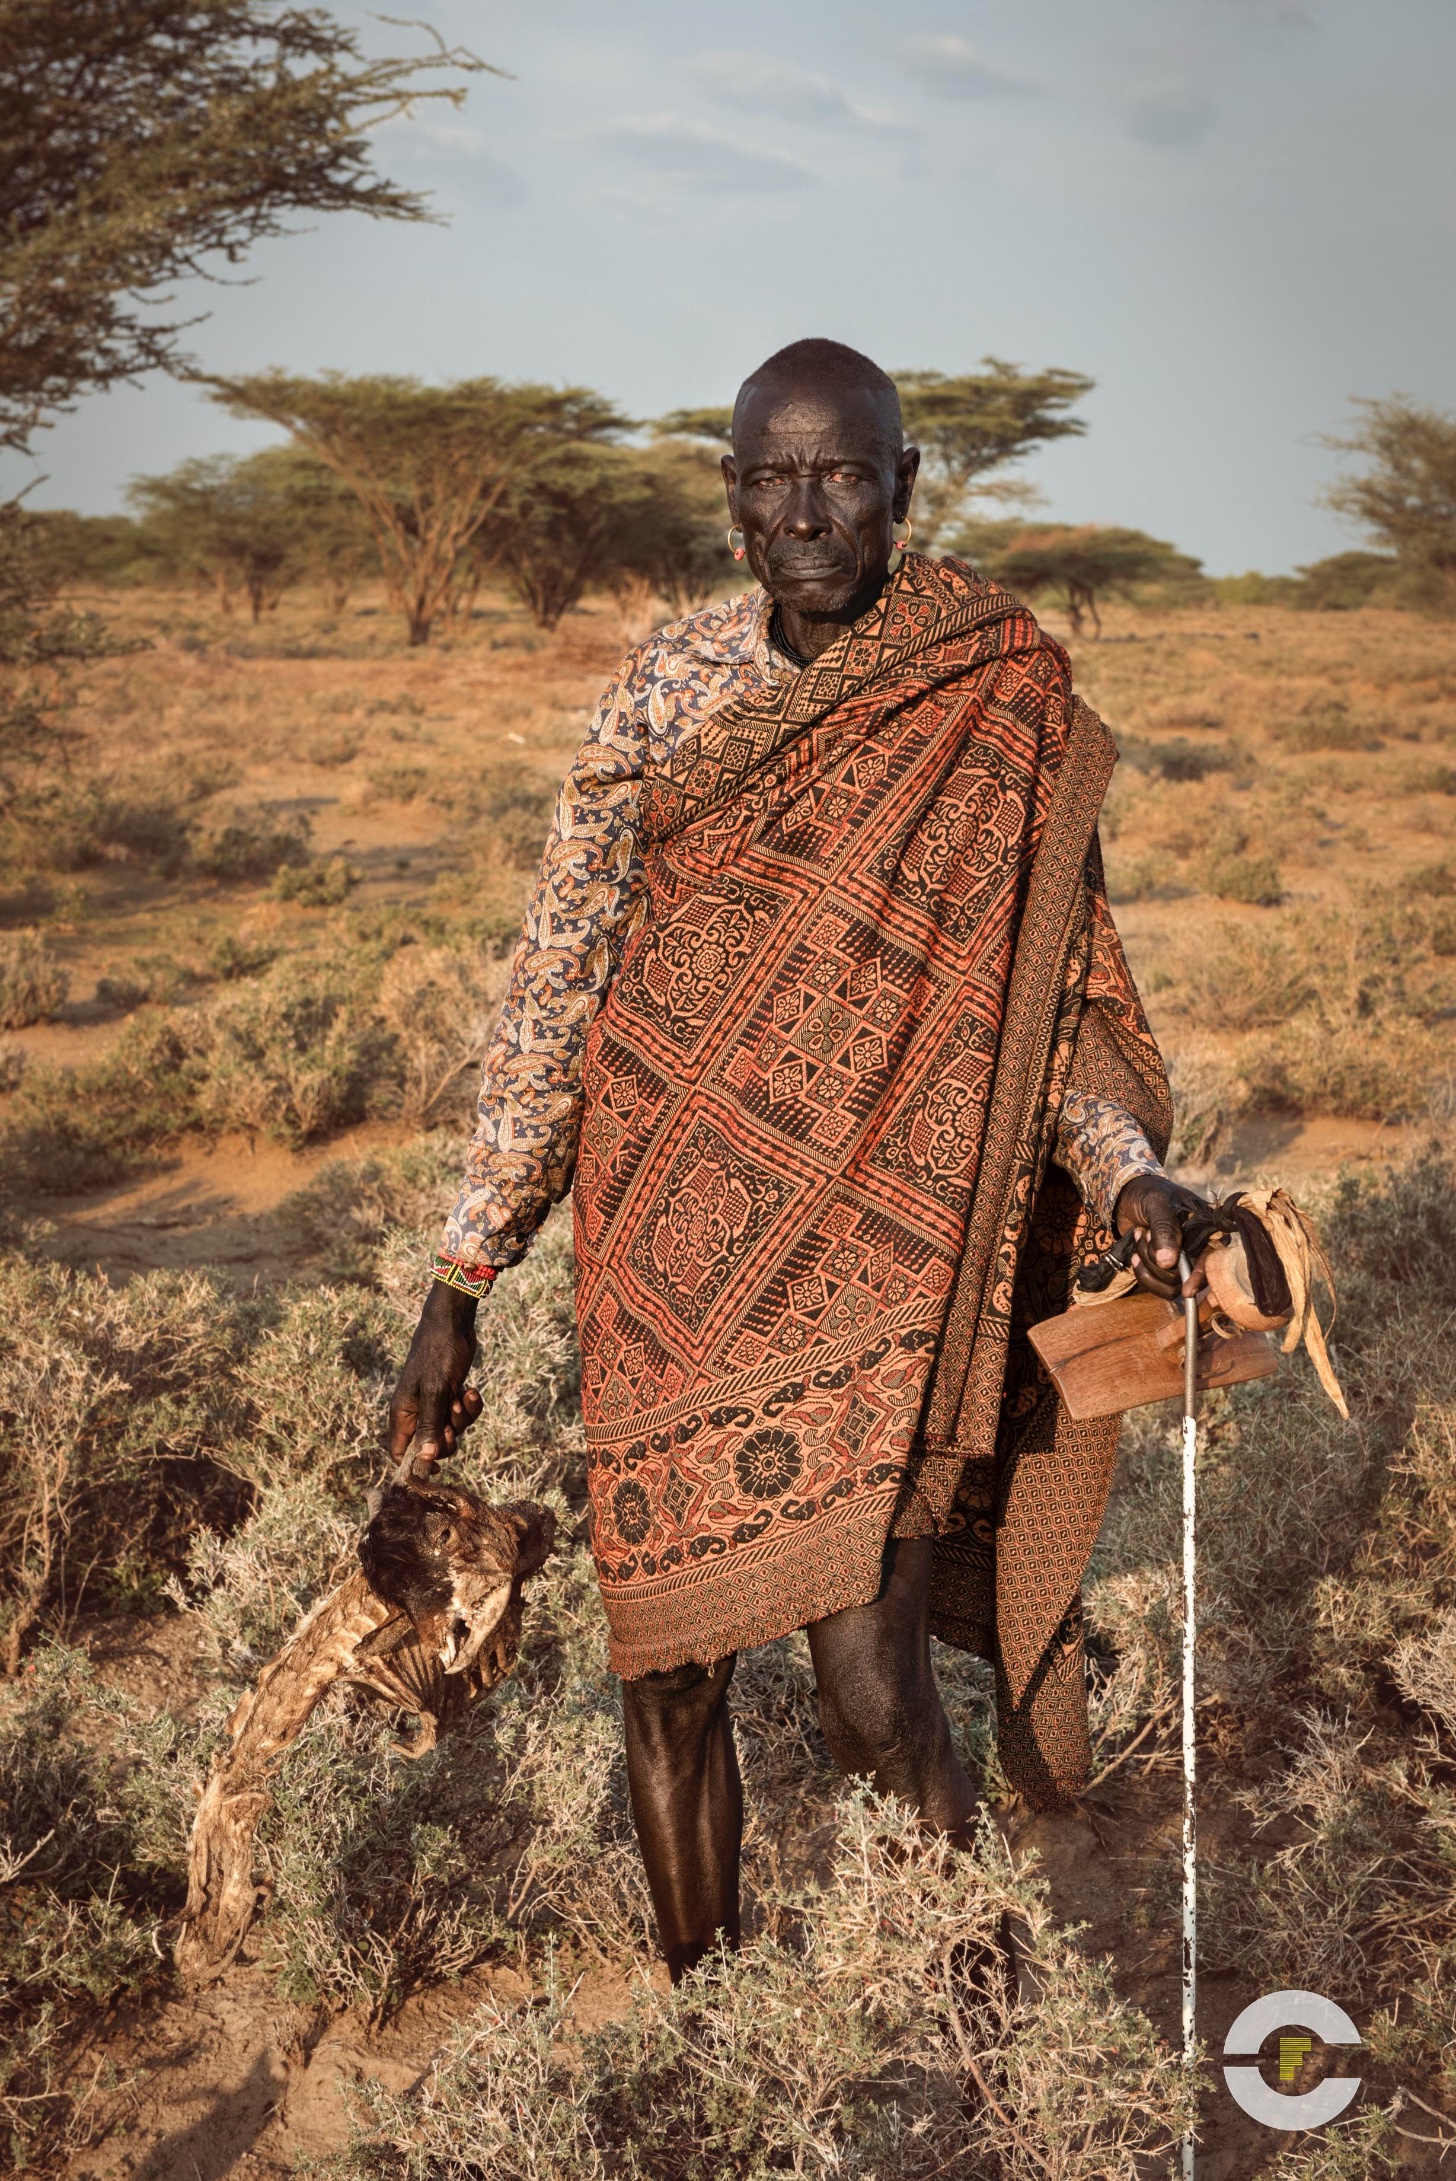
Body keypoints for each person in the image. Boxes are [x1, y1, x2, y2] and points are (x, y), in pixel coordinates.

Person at [388, 338, 1199, 1981]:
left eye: (847, 473)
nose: (810, 507)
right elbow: (560, 975)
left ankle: (1002, 2034)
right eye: (776, 474)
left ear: (906, 486)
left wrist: (1123, 1176)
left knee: (870, 1687)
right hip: (662, 1254)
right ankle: (710, 2034)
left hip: (887, 1262)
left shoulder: (997, 693)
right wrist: (466, 1270)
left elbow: (1055, 992)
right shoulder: (664, 697)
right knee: (667, 1674)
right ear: (733, 499)